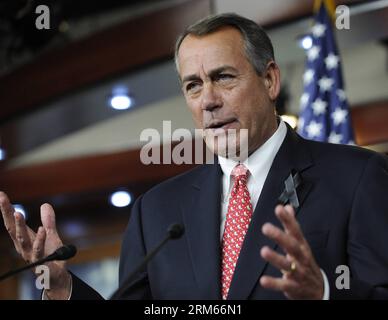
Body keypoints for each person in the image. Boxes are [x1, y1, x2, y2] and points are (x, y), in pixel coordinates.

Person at [1, 13, 388, 300]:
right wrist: (63, 287)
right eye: (193, 85)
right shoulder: (156, 211)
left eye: (223, 77)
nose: (209, 101)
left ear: (269, 80)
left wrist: (323, 292)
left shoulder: (356, 178)